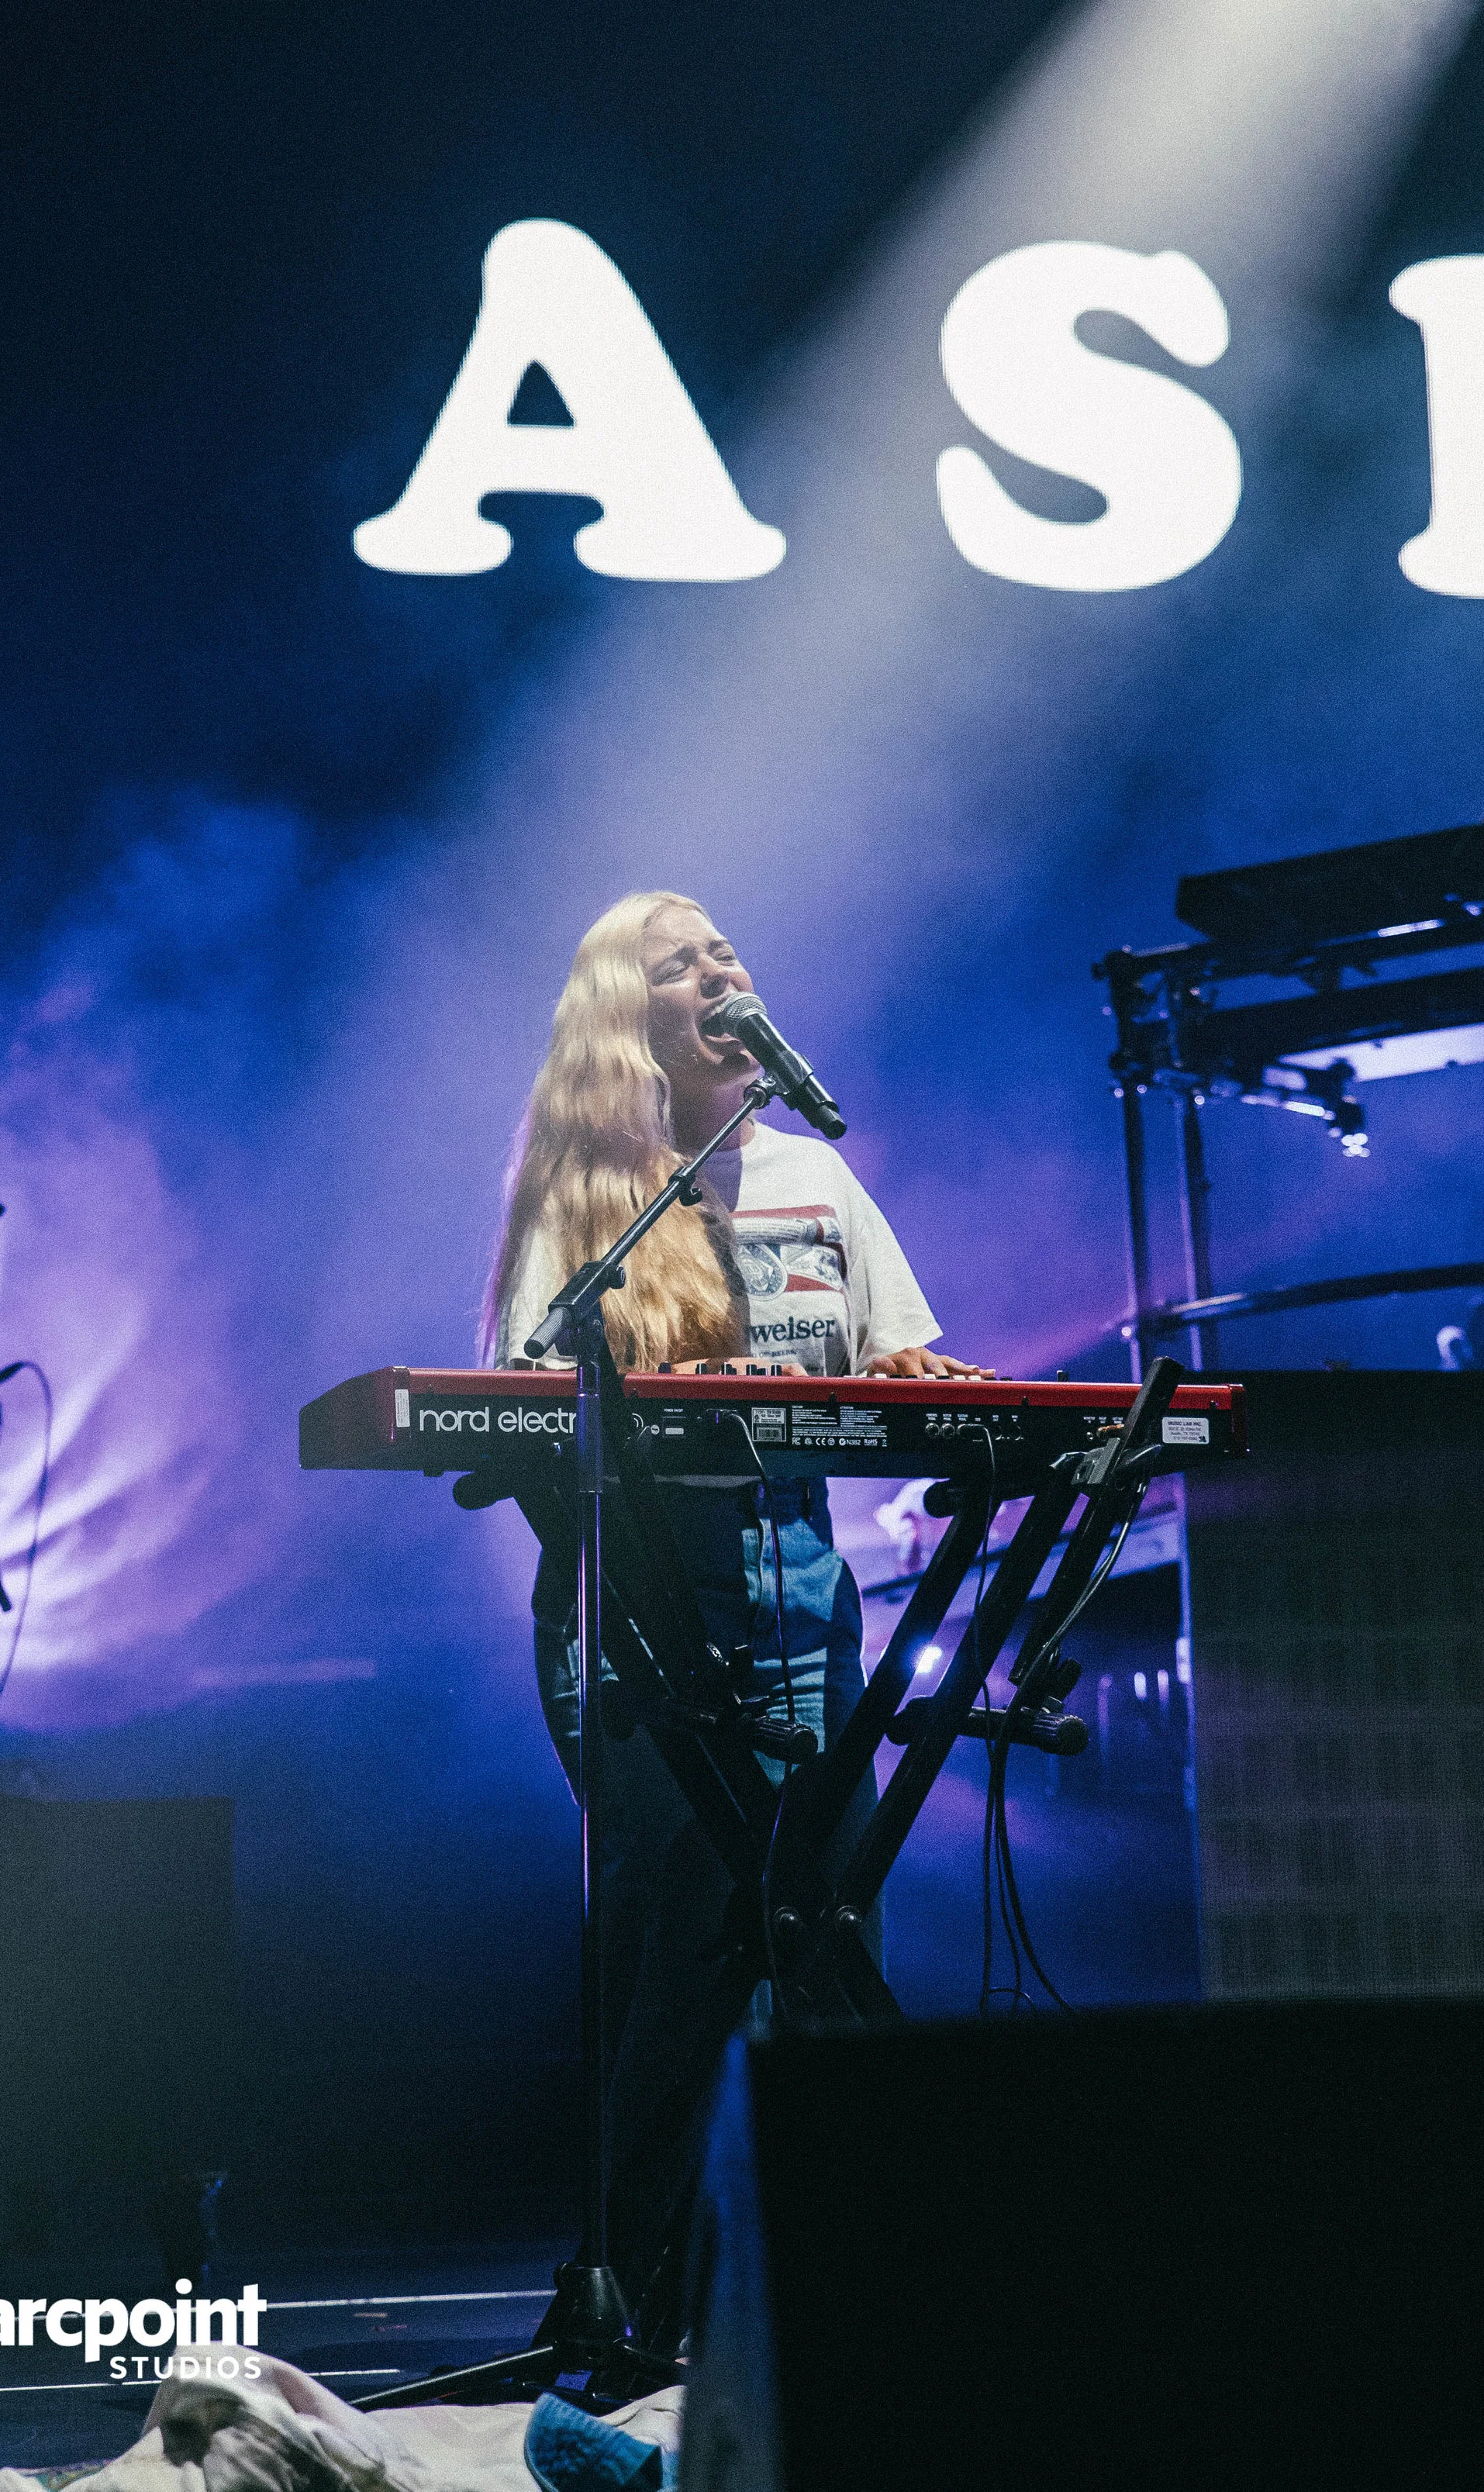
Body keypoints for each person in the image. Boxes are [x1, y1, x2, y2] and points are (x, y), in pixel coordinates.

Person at [486, 889, 984, 2338]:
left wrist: (924, 1378)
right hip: (643, 1618)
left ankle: (861, 2302)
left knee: (830, 1938)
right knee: (694, 1951)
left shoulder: (817, 1178)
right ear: (626, 1015)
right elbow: (526, 1399)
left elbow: (903, 1356)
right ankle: (629, 2307)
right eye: (680, 960)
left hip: (804, 1613)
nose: (720, 968)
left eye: (725, 950)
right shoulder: (588, 1191)